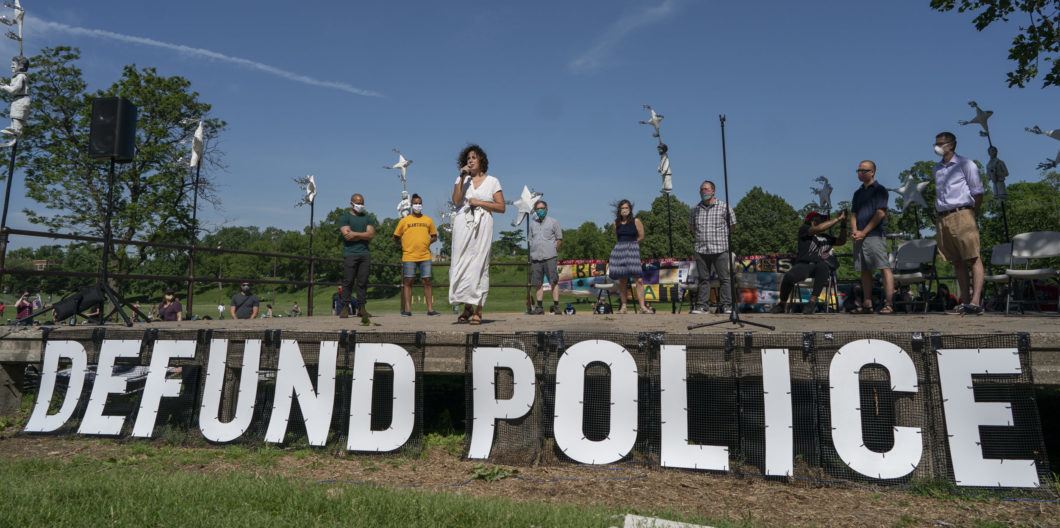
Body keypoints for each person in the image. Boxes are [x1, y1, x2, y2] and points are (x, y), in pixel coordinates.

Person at [449, 144, 505, 325]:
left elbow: (501, 207)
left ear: (481, 160)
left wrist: (479, 202)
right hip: (462, 226)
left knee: (479, 265)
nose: (470, 161)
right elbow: (456, 201)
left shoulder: (493, 181)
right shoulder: (461, 180)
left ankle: (478, 309)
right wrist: (461, 177)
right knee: (462, 263)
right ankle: (467, 306)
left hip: (482, 226)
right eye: (468, 159)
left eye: (474, 157)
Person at [933, 132, 985, 315]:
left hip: (962, 212)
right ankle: (964, 300)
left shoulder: (966, 164)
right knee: (956, 261)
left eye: (941, 143)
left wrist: (972, 214)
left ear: (952, 144)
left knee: (972, 257)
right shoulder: (937, 168)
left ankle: (976, 301)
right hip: (943, 216)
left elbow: (978, 191)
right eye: (936, 143)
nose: (937, 146)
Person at [771, 211, 848, 314]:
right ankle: (782, 304)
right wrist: (837, 219)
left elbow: (841, 241)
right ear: (813, 220)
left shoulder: (826, 237)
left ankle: (812, 302)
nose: (824, 221)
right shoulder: (805, 230)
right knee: (789, 277)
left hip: (820, 265)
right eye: (821, 218)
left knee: (824, 267)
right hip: (804, 264)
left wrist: (843, 224)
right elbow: (819, 228)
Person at [849, 160, 894, 314]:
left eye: (864, 170)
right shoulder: (858, 193)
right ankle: (867, 303)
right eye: (858, 170)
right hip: (859, 236)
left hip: (874, 234)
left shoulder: (880, 190)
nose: (860, 173)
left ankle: (889, 303)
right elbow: (853, 213)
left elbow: (880, 213)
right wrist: (855, 230)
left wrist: (864, 231)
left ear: (872, 172)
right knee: (864, 269)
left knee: (883, 267)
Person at [689, 180, 737, 314]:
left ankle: (726, 305)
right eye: (701, 189)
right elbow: (691, 228)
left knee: (724, 279)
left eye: (706, 189)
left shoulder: (724, 207)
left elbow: (733, 226)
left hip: (720, 249)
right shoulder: (694, 209)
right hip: (701, 249)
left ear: (713, 191)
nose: (703, 191)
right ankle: (702, 306)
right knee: (703, 279)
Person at [393, 193, 439, 317]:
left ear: (422, 205)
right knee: (408, 281)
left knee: (427, 281)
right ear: (411, 205)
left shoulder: (428, 220)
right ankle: (407, 310)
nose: (417, 205)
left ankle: (430, 309)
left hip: (425, 256)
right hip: (409, 256)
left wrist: (428, 242)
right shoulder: (404, 220)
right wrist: (403, 245)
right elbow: (396, 236)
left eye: (419, 203)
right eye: (415, 203)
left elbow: (434, 236)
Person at [607, 199, 652, 314]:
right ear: (619, 210)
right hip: (619, 251)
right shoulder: (615, 223)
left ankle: (642, 307)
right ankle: (624, 307)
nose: (624, 210)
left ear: (630, 209)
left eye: (626, 208)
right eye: (622, 208)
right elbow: (618, 238)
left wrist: (632, 245)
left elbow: (641, 236)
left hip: (632, 250)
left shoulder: (636, 221)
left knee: (639, 279)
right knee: (622, 280)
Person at [339, 193, 377, 318]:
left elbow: (371, 235)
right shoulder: (345, 217)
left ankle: (362, 308)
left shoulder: (367, 217)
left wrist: (355, 234)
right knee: (348, 281)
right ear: (351, 203)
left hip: (365, 254)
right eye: (358, 202)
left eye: (362, 203)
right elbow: (346, 235)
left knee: (363, 282)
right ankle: (345, 307)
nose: (360, 205)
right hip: (350, 254)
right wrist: (362, 235)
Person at [528, 200, 563, 314]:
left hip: (550, 257)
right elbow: (530, 239)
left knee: (554, 281)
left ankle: (556, 306)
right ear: (535, 210)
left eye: (542, 208)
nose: (540, 210)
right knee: (538, 283)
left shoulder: (554, 222)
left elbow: (559, 239)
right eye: (538, 208)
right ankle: (539, 308)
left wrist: (553, 250)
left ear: (546, 209)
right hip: (536, 258)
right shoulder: (532, 224)